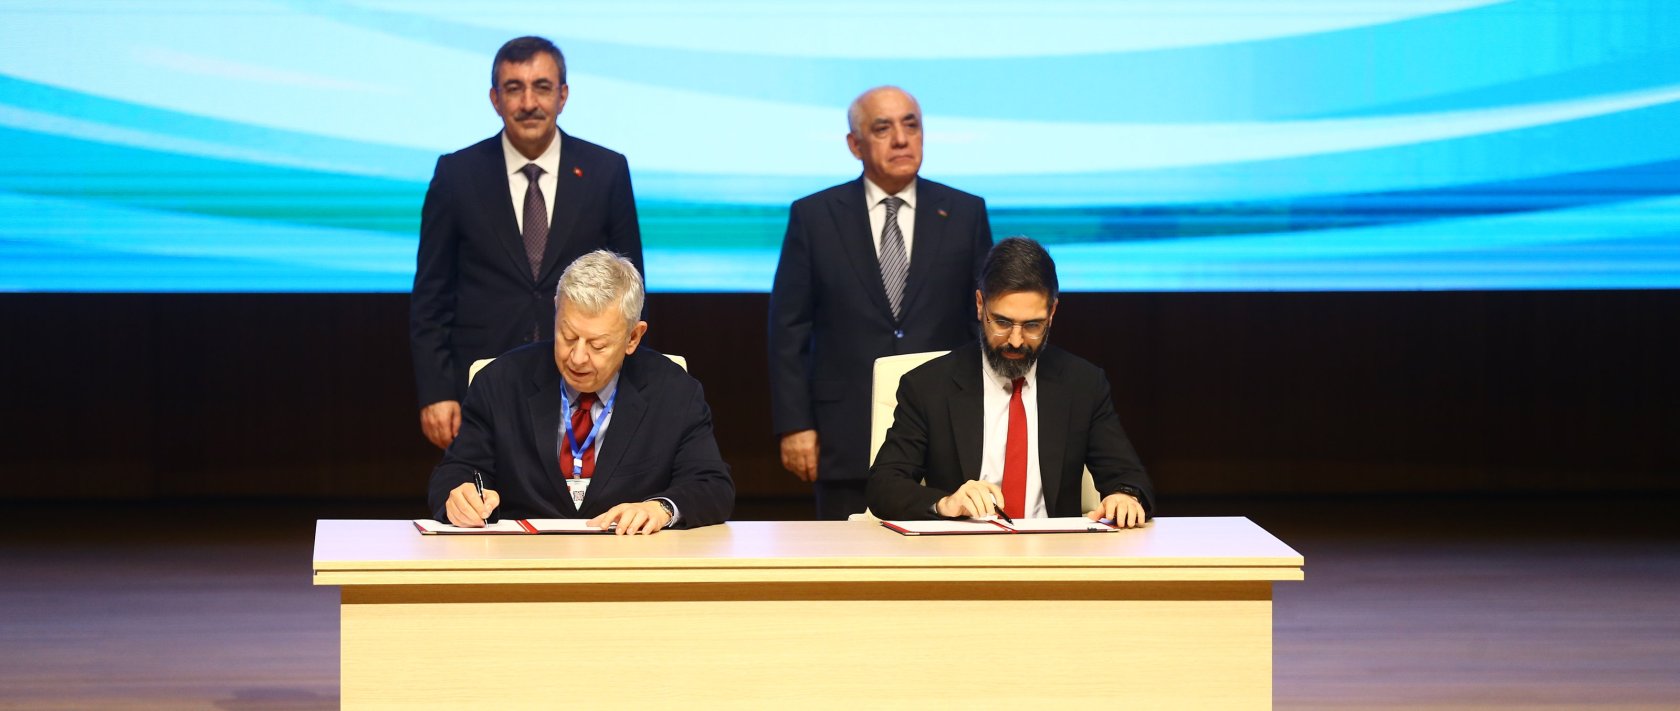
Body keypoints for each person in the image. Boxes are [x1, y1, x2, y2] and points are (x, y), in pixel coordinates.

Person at [768, 86, 993, 519]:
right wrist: (796, 425)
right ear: (855, 145)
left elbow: (980, 322)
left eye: (911, 125)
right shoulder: (814, 216)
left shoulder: (965, 212)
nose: (902, 139)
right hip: (845, 434)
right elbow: (787, 331)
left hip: (945, 430)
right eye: (883, 128)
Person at [412, 35, 643, 450]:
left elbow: (632, 288)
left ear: (563, 95)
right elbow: (431, 295)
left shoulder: (606, 170)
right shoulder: (456, 174)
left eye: (542, 87)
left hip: (584, 380)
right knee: (477, 506)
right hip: (482, 383)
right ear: (495, 99)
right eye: (514, 88)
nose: (529, 102)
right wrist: (436, 391)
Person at [427, 251, 732, 534]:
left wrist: (661, 508)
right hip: (521, 563)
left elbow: (712, 485)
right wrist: (461, 495)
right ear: (556, 313)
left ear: (633, 337)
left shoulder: (673, 391)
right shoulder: (500, 383)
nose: (578, 357)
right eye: (568, 336)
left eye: (598, 345)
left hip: (630, 563)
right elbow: (454, 473)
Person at [866, 237, 1155, 526]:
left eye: (1032, 325)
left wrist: (1124, 496)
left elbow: (1127, 476)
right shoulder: (928, 386)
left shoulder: (1083, 384)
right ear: (980, 305)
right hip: (959, 554)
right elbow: (884, 485)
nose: (1016, 341)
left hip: (1057, 557)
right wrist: (945, 503)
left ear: (1052, 313)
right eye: (1002, 323)